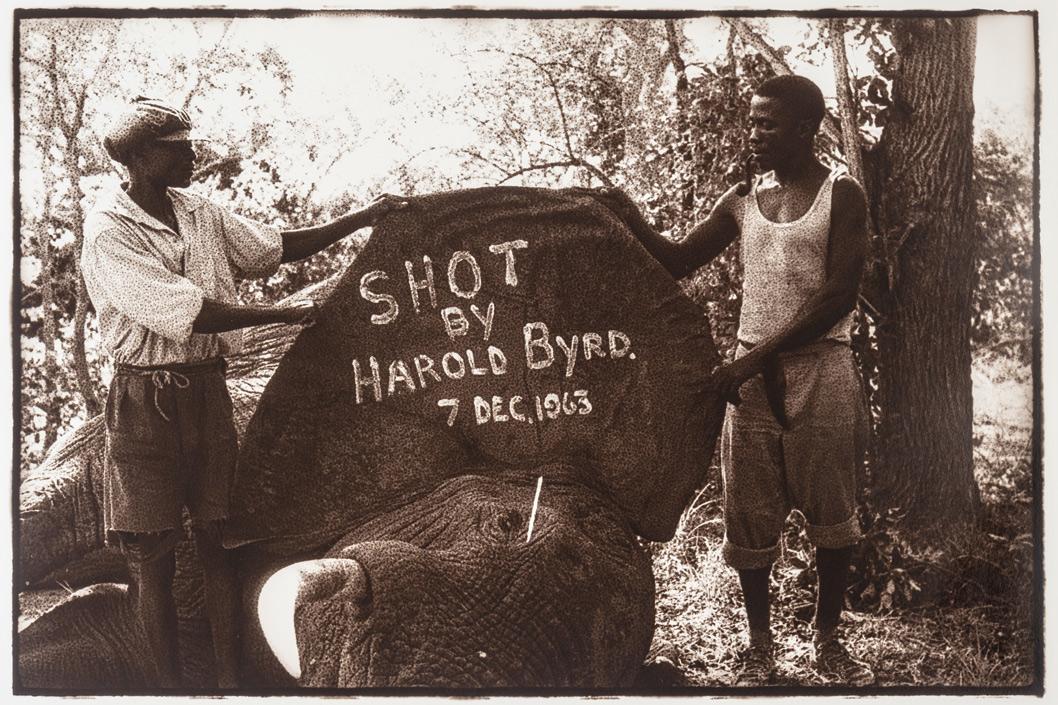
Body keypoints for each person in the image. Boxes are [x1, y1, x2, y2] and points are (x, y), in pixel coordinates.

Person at [81, 96, 405, 689]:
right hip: (143, 405)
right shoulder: (108, 231)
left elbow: (271, 248)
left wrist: (362, 218)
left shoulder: (198, 209)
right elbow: (190, 312)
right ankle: (170, 692)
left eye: (188, 142)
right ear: (134, 158)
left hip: (207, 394)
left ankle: (232, 685)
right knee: (152, 557)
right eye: (174, 147)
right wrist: (282, 314)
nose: (191, 153)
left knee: (218, 543)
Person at [593, 75, 874, 686]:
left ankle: (828, 641)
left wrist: (754, 359)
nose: (754, 134)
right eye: (751, 122)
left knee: (832, 512)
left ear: (804, 129)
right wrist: (629, 216)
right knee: (749, 512)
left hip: (821, 370)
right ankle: (760, 648)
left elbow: (838, 296)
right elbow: (676, 261)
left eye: (766, 124)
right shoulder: (743, 198)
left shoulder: (841, 195)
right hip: (749, 380)